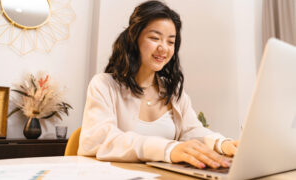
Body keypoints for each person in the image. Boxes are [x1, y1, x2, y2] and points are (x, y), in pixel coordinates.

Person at [78, 0, 238, 169]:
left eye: (170, 42)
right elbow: (100, 140)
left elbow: (191, 131)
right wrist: (168, 149)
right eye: (155, 38)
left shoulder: (173, 91)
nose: (164, 48)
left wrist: (222, 144)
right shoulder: (104, 85)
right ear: (134, 38)